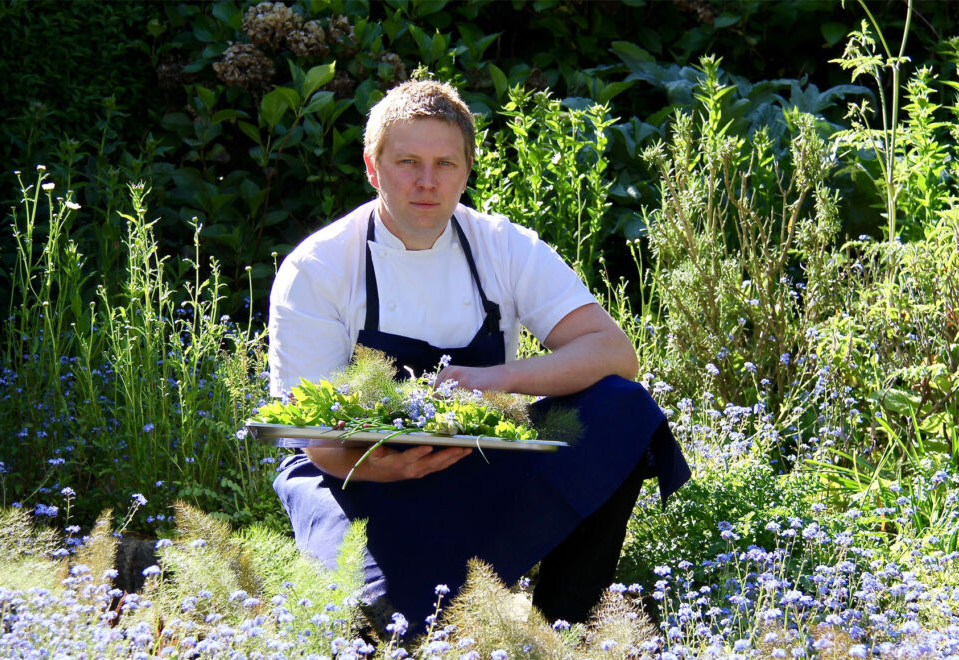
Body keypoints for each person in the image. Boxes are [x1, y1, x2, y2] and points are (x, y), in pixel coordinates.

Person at [268, 79, 690, 632]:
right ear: (373, 169)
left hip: (478, 455)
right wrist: (381, 465)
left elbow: (613, 351)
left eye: (445, 164)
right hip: (350, 474)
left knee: (621, 407)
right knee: (383, 624)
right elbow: (314, 437)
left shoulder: (503, 245)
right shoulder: (318, 268)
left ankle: (566, 622)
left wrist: (495, 380)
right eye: (407, 162)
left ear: (467, 171)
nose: (427, 182)